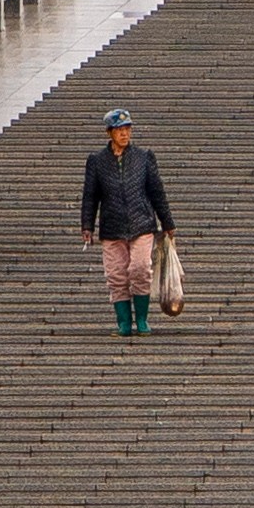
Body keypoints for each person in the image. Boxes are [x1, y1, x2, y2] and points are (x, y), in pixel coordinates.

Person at [77, 106, 177, 340]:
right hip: (112, 227)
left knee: (140, 268)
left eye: (127, 129)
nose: (124, 134)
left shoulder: (143, 158)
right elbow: (90, 195)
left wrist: (168, 222)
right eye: (119, 129)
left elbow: (156, 192)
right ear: (109, 133)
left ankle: (141, 319)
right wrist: (87, 226)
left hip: (141, 223)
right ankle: (124, 323)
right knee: (116, 274)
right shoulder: (97, 161)